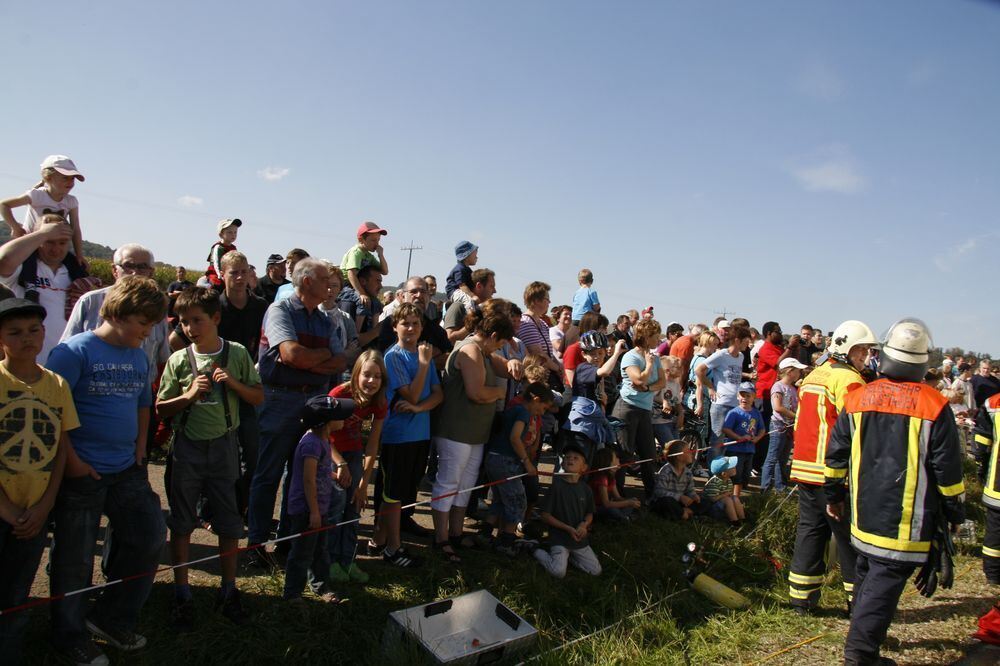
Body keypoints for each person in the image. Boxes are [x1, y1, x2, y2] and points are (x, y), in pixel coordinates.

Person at [825, 318, 965, 665]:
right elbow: (947, 469)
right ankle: (860, 654)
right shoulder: (935, 406)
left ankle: (865, 641)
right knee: (884, 581)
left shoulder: (859, 397)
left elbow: (835, 453)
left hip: (863, 511)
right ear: (922, 362)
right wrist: (955, 513)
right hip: (906, 518)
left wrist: (834, 495)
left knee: (869, 574)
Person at [45, 276, 168, 664]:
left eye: (151, 325)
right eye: (143, 323)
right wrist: (74, 462)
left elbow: (142, 404)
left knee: (149, 536)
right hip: (82, 472)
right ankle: (69, 636)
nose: (148, 332)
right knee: (74, 558)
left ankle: (111, 618)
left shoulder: (136, 354)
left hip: (126, 468)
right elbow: (54, 413)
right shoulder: (73, 353)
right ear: (118, 313)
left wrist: (139, 449)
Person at [156, 287, 262, 629]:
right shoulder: (178, 360)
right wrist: (187, 395)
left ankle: (228, 590)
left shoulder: (236, 355)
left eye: (197, 320)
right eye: (184, 322)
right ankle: (182, 592)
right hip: (187, 446)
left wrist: (231, 382)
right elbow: (161, 408)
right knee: (183, 521)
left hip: (224, 446)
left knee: (229, 520)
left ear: (215, 319)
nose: (190, 328)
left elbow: (257, 397)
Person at [247, 258, 347, 568]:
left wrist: (308, 359)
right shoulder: (280, 311)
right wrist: (318, 357)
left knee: (302, 475)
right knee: (268, 475)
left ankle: (290, 545)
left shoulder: (325, 319)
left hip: (310, 402)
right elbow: (290, 353)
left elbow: (339, 362)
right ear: (306, 282)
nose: (329, 285)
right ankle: (257, 545)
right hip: (278, 401)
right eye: (322, 280)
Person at [0, 299, 77, 664]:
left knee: (16, 595)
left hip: (34, 513)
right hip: (6, 508)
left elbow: (60, 448)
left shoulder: (57, 385)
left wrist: (45, 504)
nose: (26, 338)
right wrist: (7, 508)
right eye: (14, 332)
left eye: (33, 330)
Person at [787, 320, 878, 614]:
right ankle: (858, 603)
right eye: (861, 350)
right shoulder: (849, 381)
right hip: (834, 472)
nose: (865, 356)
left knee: (810, 532)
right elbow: (857, 430)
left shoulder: (814, 376)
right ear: (846, 349)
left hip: (805, 468)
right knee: (850, 538)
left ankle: (801, 599)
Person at [431, 299, 512, 558]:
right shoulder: (470, 351)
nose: (501, 348)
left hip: (474, 433)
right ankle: (441, 538)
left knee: (464, 485)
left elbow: (503, 365)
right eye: (501, 342)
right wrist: (499, 391)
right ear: (494, 336)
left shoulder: (484, 351)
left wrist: (513, 365)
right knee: (448, 482)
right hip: (456, 431)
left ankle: (455, 533)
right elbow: (476, 393)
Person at [371, 303, 443, 567]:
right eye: (405, 323)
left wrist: (418, 408)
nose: (411, 328)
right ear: (395, 327)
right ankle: (393, 547)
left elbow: (437, 394)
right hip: (398, 435)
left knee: (404, 491)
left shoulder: (422, 353)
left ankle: (379, 539)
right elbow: (410, 392)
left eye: (415, 323)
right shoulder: (394, 356)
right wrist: (424, 365)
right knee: (393, 494)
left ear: (422, 326)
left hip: (420, 433)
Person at [63, 244, 171, 389]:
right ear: (115, 270)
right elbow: (67, 351)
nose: (134, 273)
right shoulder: (90, 302)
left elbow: (162, 359)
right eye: (128, 266)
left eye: (142, 267)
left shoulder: (159, 310)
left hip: (138, 396)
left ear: (151, 273)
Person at [283, 395, 355, 603]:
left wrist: (333, 475)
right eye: (340, 416)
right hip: (307, 510)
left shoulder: (322, 440)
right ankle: (292, 593)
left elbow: (318, 472)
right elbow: (307, 480)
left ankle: (321, 586)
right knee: (302, 553)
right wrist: (313, 512)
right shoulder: (311, 444)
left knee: (320, 550)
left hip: (318, 508)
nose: (344, 419)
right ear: (325, 422)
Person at [326, 350, 387, 584]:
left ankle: (347, 559)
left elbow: (373, 443)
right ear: (356, 374)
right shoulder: (339, 395)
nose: (371, 381)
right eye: (367, 375)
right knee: (336, 504)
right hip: (332, 454)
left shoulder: (379, 402)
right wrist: (340, 463)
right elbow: (321, 435)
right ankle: (329, 561)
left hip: (354, 454)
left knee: (354, 507)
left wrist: (364, 484)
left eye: (378, 377)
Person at [483, 382, 552, 558]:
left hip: (494, 458)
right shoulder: (523, 412)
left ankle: (484, 535)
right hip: (505, 461)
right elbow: (514, 437)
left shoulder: (515, 409)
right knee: (517, 500)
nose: (542, 413)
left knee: (500, 499)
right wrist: (526, 462)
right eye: (543, 408)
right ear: (535, 400)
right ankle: (506, 541)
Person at [0, 219, 76, 362]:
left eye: (62, 243)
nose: (56, 249)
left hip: (64, 365)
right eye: (49, 241)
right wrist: (43, 233)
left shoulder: (76, 274)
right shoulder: (23, 268)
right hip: (23, 365)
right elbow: (4, 260)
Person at [1, 154, 87, 271]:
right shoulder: (37, 195)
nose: (70, 182)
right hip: (32, 244)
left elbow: (75, 228)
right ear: (48, 178)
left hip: (54, 246)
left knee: (78, 268)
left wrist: (79, 254)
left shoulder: (71, 201)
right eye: (65, 178)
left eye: (72, 178)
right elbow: (4, 205)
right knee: (27, 269)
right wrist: (15, 227)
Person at [533, 442, 601, 578]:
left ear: (584, 467)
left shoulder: (585, 489)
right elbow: (545, 515)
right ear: (562, 464)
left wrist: (584, 524)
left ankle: (569, 557)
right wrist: (567, 528)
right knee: (558, 572)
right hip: (560, 539)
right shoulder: (556, 486)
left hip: (578, 539)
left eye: (576, 458)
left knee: (595, 571)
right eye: (567, 457)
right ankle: (534, 549)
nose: (570, 459)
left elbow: (589, 513)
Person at [615, 318, 665, 499]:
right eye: (655, 336)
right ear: (646, 337)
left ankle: (652, 495)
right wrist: (649, 365)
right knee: (625, 453)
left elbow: (662, 381)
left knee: (648, 454)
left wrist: (649, 388)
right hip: (627, 408)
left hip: (645, 409)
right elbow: (637, 381)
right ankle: (618, 496)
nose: (658, 339)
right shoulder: (630, 356)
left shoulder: (656, 357)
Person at [699, 325, 751, 463]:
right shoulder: (721, 355)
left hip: (735, 404)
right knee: (717, 439)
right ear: (737, 341)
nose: (749, 344)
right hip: (721, 404)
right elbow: (700, 370)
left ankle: (722, 470)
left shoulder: (740, 356)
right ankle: (713, 471)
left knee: (728, 441)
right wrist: (710, 387)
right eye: (746, 340)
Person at [374, 276, 452, 365]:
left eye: (423, 291)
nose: (419, 295)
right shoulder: (391, 323)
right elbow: (386, 358)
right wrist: (426, 355)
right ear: (403, 296)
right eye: (413, 291)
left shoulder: (435, 329)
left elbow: (448, 357)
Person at [762, 358, 807, 492]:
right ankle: (765, 488)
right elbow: (778, 407)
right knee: (772, 458)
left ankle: (780, 487)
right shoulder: (778, 387)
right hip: (778, 425)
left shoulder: (792, 388)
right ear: (790, 371)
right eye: (797, 370)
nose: (800, 373)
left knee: (782, 458)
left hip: (788, 426)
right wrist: (797, 416)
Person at [974, 382, 1000, 584]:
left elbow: (982, 442)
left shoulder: (993, 403)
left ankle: (993, 574)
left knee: (995, 531)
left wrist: (980, 467)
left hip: (997, 482)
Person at [721, 382, 766, 498]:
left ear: (754, 397)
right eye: (742, 395)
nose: (744, 398)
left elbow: (762, 429)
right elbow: (726, 429)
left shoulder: (756, 413)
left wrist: (757, 438)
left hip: (749, 450)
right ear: (737, 396)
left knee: (746, 475)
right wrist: (739, 438)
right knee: (736, 476)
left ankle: (737, 498)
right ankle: (733, 498)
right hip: (735, 450)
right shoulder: (734, 413)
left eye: (748, 395)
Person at [340, 221, 389, 307]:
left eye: (378, 240)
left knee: (376, 303)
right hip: (346, 284)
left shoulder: (368, 255)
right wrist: (362, 293)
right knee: (361, 301)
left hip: (357, 284)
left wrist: (380, 255)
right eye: (373, 240)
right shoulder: (356, 253)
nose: (377, 244)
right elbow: (351, 274)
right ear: (361, 240)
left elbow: (384, 271)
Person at [572, 330, 626, 407]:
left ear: (605, 352)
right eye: (592, 354)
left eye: (600, 353)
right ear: (584, 354)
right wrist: (617, 353)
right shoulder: (583, 368)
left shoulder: (597, 368)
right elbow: (605, 372)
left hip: (596, 412)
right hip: (584, 414)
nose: (597, 357)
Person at [442, 268, 496, 343]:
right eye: (491, 286)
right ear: (479, 286)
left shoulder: (481, 310)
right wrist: (473, 323)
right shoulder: (458, 307)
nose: (494, 291)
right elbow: (450, 338)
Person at [650, 440, 699, 520]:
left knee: (703, 502)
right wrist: (679, 497)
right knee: (667, 502)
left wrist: (693, 496)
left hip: (679, 503)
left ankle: (683, 512)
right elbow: (659, 492)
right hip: (665, 501)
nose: (692, 452)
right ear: (678, 456)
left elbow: (689, 490)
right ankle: (684, 514)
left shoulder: (688, 472)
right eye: (688, 451)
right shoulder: (666, 471)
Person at [337, 264, 384, 349]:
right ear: (363, 281)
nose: (381, 286)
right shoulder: (349, 303)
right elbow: (349, 341)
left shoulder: (372, 302)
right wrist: (377, 330)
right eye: (377, 281)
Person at [588, 448, 640, 522]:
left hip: (606, 506)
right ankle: (624, 518)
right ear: (608, 462)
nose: (619, 459)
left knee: (630, 503)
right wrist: (628, 503)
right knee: (612, 510)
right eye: (616, 457)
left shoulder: (611, 477)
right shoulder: (602, 479)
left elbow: (618, 497)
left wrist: (630, 501)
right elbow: (606, 503)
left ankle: (621, 517)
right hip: (597, 507)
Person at [754, 321, 789, 427]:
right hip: (765, 395)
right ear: (769, 333)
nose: (780, 334)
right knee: (764, 427)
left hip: (777, 393)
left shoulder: (779, 348)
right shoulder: (765, 348)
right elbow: (779, 363)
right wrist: (790, 348)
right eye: (778, 331)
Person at [652, 355, 684, 450]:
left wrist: (681, 414)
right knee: (672, 449)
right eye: (677, 368)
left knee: (678, 446)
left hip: (671, 420)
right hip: (658, 421)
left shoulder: (675, 384)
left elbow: (677, 402)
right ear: (667, 370)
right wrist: (664, 401)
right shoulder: (660, 382)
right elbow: (651, 396)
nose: (681, 369)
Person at [702, 456, 745, 526]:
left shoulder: (728, 480)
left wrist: (728, 496)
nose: (735, 467)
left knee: (735, 498)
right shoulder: (714, 482)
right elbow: (712, 499)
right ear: (724, 474)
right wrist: (724, 495)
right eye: (732, 467)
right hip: (710, 509)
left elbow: (729, 494)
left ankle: (742, 519)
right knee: (727, 500)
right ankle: (735, 522)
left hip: (722, 506)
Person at [204, 218, 240, 289]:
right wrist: (221, 276)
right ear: (221, 235)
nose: (233, 234)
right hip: (216, 274)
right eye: (230, 232)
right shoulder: (218, 247)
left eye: (235, 232)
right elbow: (216, 264)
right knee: (218, 285)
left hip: (229, 273)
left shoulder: (233, 248)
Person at [445, 240, 478, 307]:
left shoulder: (467, 269)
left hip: (462, 291)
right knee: (468, 300)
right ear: (467, 255)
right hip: (455, 291)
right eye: (475, 254)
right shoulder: (460, 269)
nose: (477, 257)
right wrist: (473, 296)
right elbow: (462, 286)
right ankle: (470, 316)